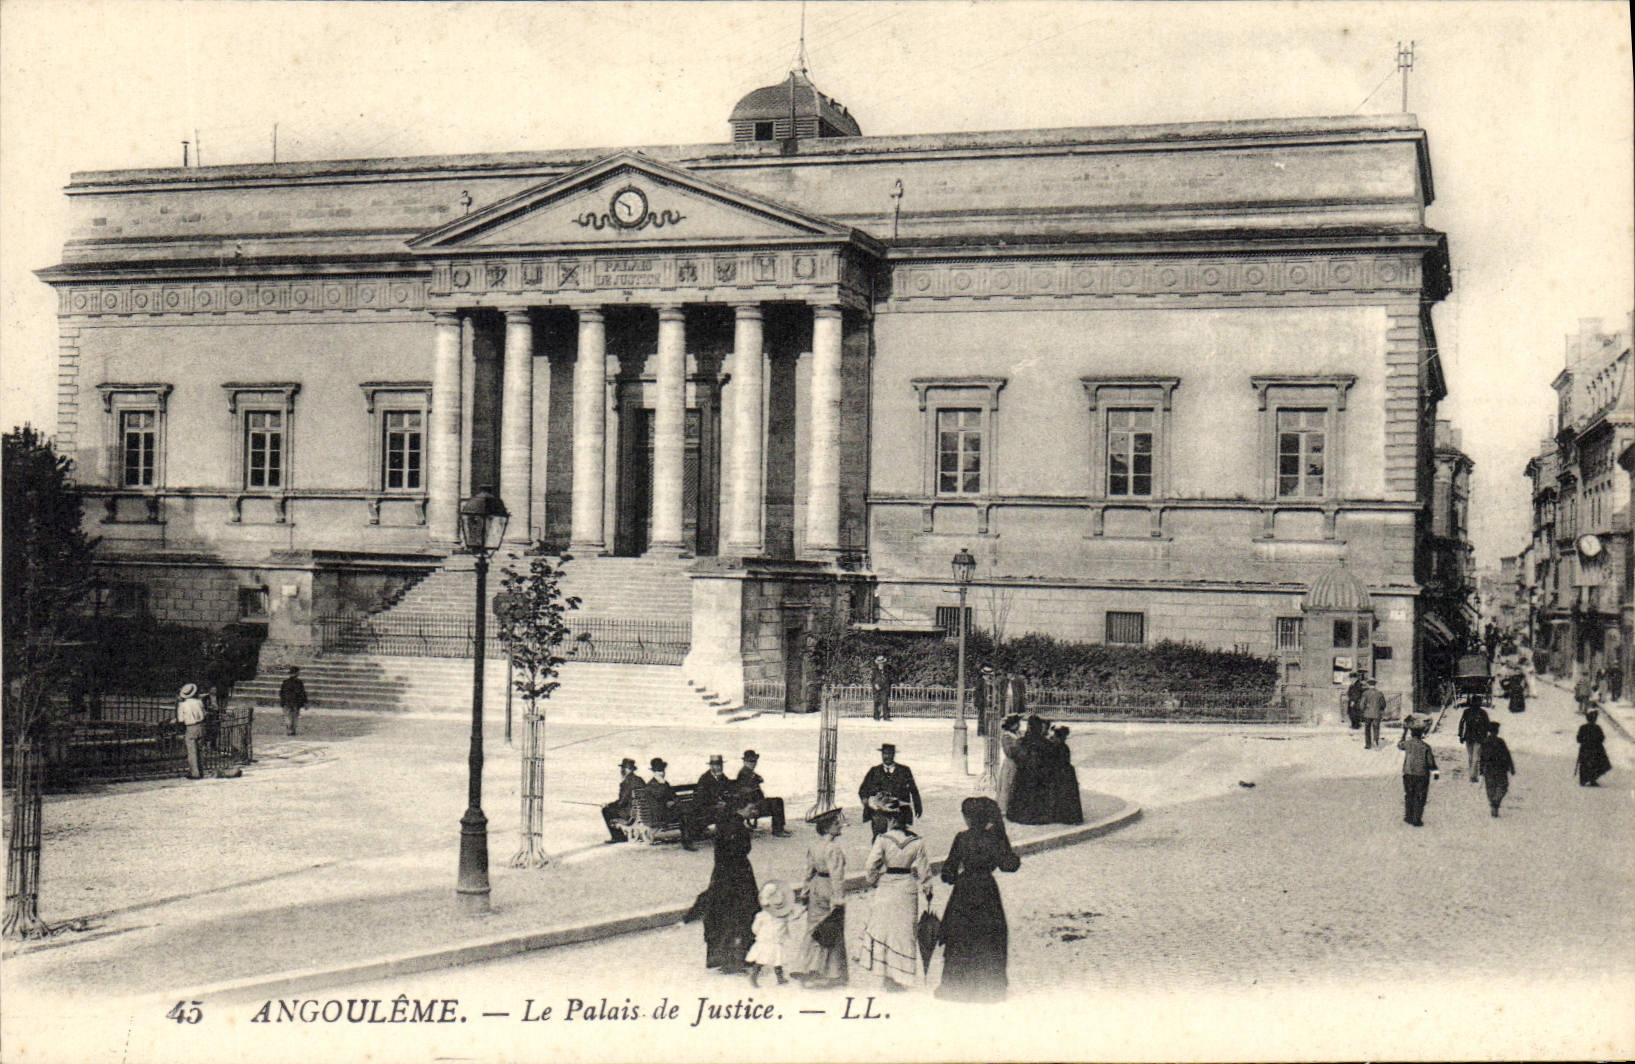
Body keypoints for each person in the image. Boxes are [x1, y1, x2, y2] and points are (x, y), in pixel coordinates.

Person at [936, 796, 1022, 1002]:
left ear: (968, 818)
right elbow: (1010, 865)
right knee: (989, 935)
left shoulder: (961, 838)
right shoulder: (995, 838)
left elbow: (947, 873)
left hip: (964, 890)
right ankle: (988, 986)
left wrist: (956, 878)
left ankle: (957, 985)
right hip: (987, 889)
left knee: (961, 934)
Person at [858, 797, 932, 991]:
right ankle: (902, 976)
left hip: (888, 885)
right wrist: (927, 888)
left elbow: (870, 866)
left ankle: (886, 974)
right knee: (904, 932)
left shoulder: (883, 840)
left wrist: (873, 879)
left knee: (884, 929)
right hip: (908, 888)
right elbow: (924, 872)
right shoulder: (917, 842)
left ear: (891, 820)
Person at [695, 790, 761, 974]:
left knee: (724, 915)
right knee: (741, 915)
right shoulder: (737, 827)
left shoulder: (726, 822)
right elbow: (739, 852)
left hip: (723, 875)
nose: (753, 811)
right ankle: (737, 959)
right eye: (751, 807)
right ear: (742, 807)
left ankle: (725, 957)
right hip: (737, 876)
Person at [795, 808, 848, 988]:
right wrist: (838, 899)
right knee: (833, 928)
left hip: (816, 886)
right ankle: (832, 972)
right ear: (827, 827)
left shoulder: (814, 846)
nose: (840, 825)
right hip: (829, 888)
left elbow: (808, 871)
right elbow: (837, 876)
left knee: (814, 928)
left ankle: (806, 966)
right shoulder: (834, 849)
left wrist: (804, 892)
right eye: (836, 823)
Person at [859, 744, 923, 838]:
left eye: (889, 754)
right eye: (885, 754)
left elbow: (913, 790)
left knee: (899, 837)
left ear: (894, 755)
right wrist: (865, 801)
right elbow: (863, 789)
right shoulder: (874, 771)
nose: (887, 756)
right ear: (882, 755)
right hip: (879, 813)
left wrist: (918, 806)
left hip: (900, 812)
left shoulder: (904, 770)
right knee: (879, 838)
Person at [746, 880, 802, 987]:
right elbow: (793, 916)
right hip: (767, 941)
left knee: (777, 959)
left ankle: (779, 978)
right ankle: (754, 976)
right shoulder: (778, 915)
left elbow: (755, 929)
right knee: (764, 959)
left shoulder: (764, 915)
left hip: (772, 941)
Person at [1005, 715, 1055, 825]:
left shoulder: (1023, 741)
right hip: (1040, 774)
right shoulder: (1044, 742)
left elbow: (1016, 754)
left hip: (1025, 772)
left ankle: (1023, 814)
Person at [736, 750, 791, 837]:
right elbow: (755, 783)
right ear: (745, 761)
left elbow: (760, 779)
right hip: (751, 804)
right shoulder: (745, 772)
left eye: (754, 761)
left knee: (777, 801)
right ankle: (778, 829)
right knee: (777, 801)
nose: (753, 763)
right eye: (751, 761)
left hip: (754, 801)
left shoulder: (748, 771)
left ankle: (779, 828)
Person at [685, 754, 734, 851]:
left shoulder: (722, 777)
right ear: (711, 766)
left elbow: (730, 790)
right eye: (716, 765)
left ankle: (727, 836)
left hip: (718, 806)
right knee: (722, 810)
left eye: (720, 764)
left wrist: (726, 800)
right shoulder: (704, 779)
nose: (719, 767)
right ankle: (723, 838)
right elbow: (701, 798)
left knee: (729, 808)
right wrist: (716, 803)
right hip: (704, 807)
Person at [1397, 722, 1439, 827]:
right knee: (1420, 796)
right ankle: (1417, 818)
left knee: (1409, 795)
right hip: (1422, 774)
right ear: (1421, 735)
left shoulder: (1407, 744)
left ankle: (1408, 816)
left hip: (1408, 773)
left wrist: (1404, 732)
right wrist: (1435, 772)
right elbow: (1430, 761)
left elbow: (1399, 745)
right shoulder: (1426, 747)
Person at [1044, 724, 1084, 825]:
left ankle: (1062, 816)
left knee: (1061, 793)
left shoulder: (1058, 747)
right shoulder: (1063, 746)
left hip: (1060, 772)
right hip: (1066, 772)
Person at [1478, 721, 1516, 818]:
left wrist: (1481, 768)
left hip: (1489, 769)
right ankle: (1495, 802)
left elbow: (1481, 757)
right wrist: (1511, 767)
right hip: (1501, 768)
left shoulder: (1484, 742)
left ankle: (1493, 804)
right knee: (1503, 786)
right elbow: (1507, 755)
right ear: (1497, 731)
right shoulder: (1500, 742)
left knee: (1490, 788)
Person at [601, 757, 643, 843]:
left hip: (630, 813)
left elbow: (622, 802)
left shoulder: (626, 782)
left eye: (623, 768)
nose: (621, 770)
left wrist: (608, 805)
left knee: (606, 811)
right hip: (641, 810)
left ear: (624, 770)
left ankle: (618, 837)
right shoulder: (639, 780)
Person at [644, 757, 683, 842]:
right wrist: (668, 802)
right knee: (684, 813)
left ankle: (690, 834)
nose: (661, 773)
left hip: (667, 811)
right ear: (654, 772)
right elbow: (659, 798)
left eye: (662, 771)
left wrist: (673, 801)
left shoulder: (665, 783)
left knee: (685, 812)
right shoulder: (651, 785)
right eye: (658, 771)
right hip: (658, 814)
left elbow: (674, 796)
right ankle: (688, 837)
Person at [1457, 695, 1492, 783]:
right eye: (1475, 702)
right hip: (1469, 737)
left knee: (1476, 758)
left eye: (1478, 702)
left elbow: (1488, 725)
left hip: (1479, 738)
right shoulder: (1467, 712)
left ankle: (1473, 776)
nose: (1477, 704)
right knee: (1471, 757)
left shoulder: (1483, 713)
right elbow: (1462, 723)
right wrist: (1460, 735)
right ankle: (1473, 774)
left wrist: (1488, 737)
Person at [1575, 709, 1613, 787]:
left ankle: (1584, 780)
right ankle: (1592, 780)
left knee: (1585, 764)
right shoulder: (1597, 727)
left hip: (1586, 749)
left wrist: (1585, 741)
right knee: (1595, 764)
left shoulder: (1583, 727)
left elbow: (1578, 738)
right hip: (1596, 749)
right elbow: (1602, 738)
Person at [177, 683, 207, 779]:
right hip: (201, 726)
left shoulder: (183, 705)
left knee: (192, 751)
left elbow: (181, 719)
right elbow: (204, 713)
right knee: (200, 749)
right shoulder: (199, 702)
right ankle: (201, 771)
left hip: (190, 727)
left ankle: (194, 773)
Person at [996, 714, 1023, 816]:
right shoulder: (1006, 736)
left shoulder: (1017, 734)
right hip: (1010, 763)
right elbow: (1009, 752)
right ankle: (1005, 808)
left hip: (1018, 763)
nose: (1019, 725)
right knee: (1008, 785)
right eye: (1017, 723)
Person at [278, 666, 308, 736]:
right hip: (296, 702)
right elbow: (302, 693)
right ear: (297, 673)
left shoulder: (285, 682)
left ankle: (289, 729)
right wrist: (305, 702)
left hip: (287, 702)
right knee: (295, 716)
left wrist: (282, 701)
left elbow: (281, 693)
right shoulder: (299, 683)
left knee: (288, 716)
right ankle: (293, 730)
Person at [1358, 677, 1386, 750]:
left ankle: (1368, 744)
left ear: (1368, 684)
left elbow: (1362, 704)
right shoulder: (1379, 693)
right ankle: (1376, 743)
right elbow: (1383, 704)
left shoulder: (1365, 693)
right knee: (1376, 728)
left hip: (1367, 714)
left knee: (1367, 729)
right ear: (1375, 684)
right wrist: (1380, 710)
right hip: (1377, 714)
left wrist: (1362, 710)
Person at [871, 654, 893, 722]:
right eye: (880, 663)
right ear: (877, 664)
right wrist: (875, 685)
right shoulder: (874, 671)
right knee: (876, 702)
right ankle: (876, 716)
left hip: (884, 689)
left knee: (885, 702)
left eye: (882, 663)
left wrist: (887, 686)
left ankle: (886, 717)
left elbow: (889, 679)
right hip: (877, 689)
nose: (881, 664)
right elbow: (872, 680)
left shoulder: (887, 671)